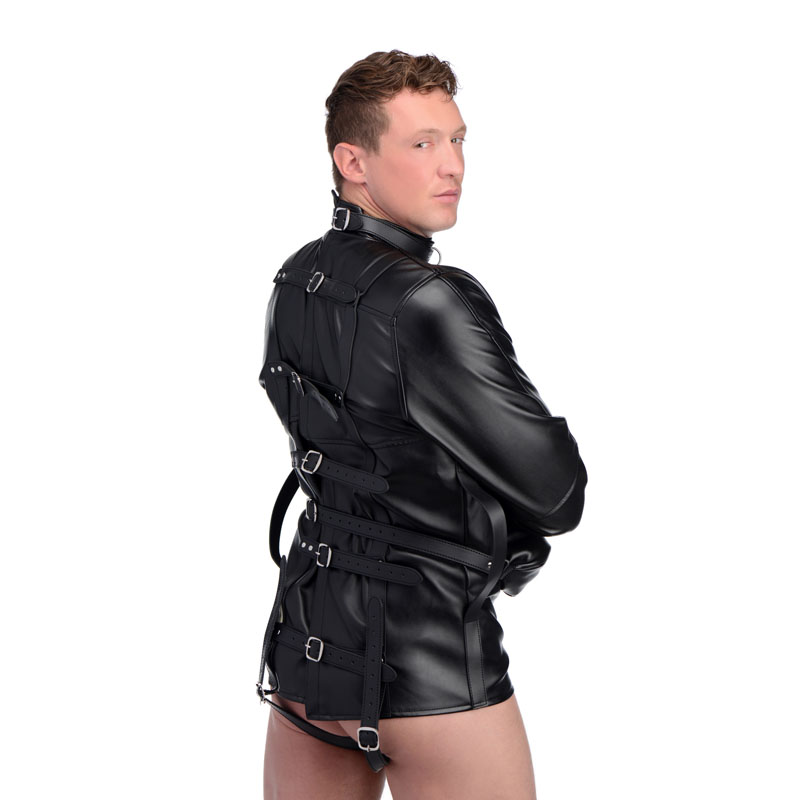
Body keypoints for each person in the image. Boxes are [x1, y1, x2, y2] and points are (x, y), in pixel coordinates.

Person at [256, 49, 588, 800]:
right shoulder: (429, 303)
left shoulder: (293, 278)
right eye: (421, 143)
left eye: (458, 139)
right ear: (353, 161)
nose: (452, 165)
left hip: (307, 655)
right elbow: (559, 495)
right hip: (431, 671)